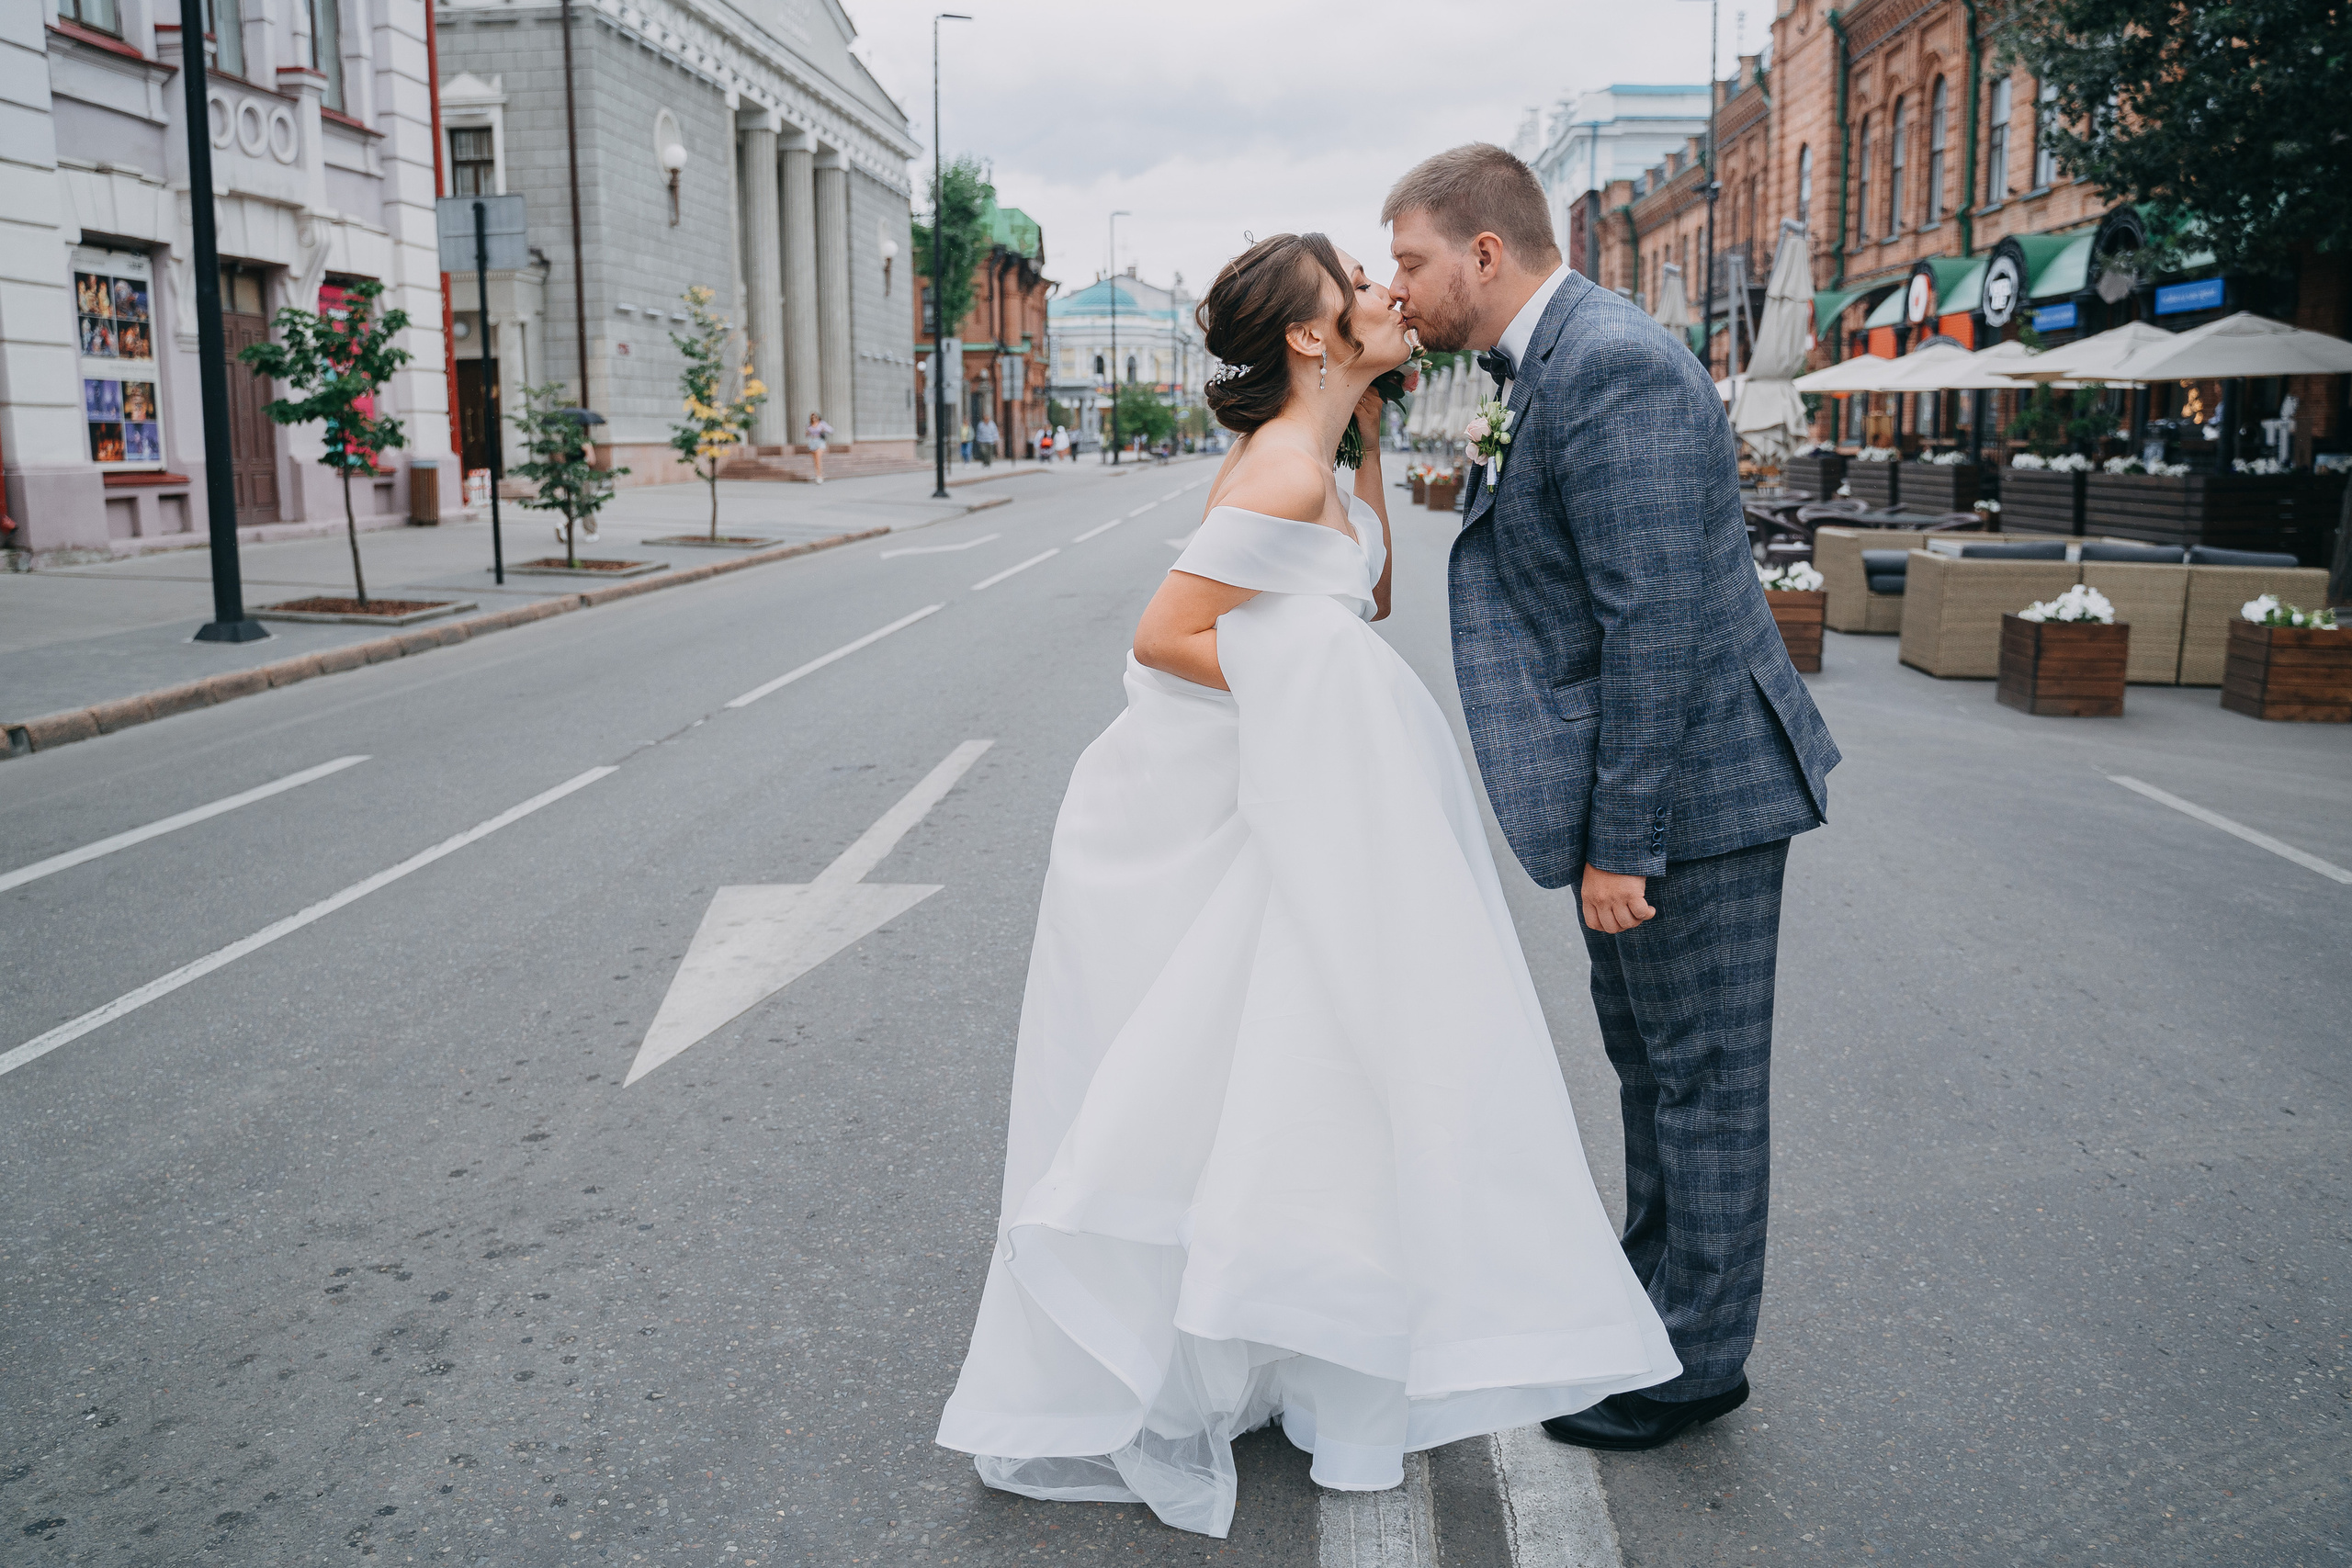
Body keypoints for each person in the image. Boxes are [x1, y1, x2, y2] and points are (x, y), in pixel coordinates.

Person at [934, 232, 1679, 1539]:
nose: (1394, 293)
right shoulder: (1279, 470)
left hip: (1306, 795)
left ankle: (1299, 1331)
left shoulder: (1319, 458)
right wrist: (1308, 705)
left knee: (1304, 1073)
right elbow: (1165, 635)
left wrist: (1369, 434)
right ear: (1307, 334)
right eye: (1365, 285)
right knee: (1301, 1061)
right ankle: (1312, 1348)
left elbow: (1366, 593)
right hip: (1244, 806)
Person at [1384, 144, 1840, 1452]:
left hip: (1696, 798)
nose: (1399, 284)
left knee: (1701, 1081)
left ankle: (1697, 1360)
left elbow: (1660, 625)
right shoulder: (1550, 360)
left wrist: (1622, 843)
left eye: (1412, 258)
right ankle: (1653, 1309)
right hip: (1646, 797)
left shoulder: (1615, 364)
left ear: (1484, 249)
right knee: (1655, 1074)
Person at [803, 410, 832, 484]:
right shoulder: (809, 425)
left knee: (818, 457)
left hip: (820, 442)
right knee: (816, 460)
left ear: (818, 417)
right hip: (812, 442)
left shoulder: (822, 424)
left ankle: (819, 476)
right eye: (812, 417)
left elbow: (831, 430)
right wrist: (807, 433)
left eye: (815, 417)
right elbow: (807, 435)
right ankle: (818, 475)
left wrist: (824, 430)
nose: (814, 418)